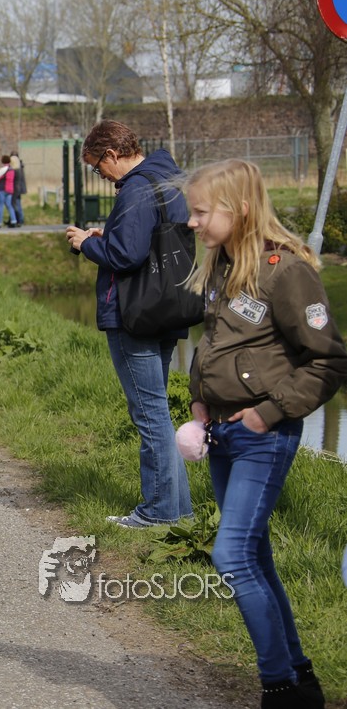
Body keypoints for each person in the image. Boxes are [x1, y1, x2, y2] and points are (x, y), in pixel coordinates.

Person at [182, 159, 345, 709]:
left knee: (231, 556)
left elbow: (328, 361)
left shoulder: (286, 271)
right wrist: (200, 399)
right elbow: (215, 345)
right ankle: (302, 681)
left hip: (262, 437)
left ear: (241, 209)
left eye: (201, 212)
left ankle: (278, 686)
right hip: (222, 433)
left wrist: (267, 414)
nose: (192, 222)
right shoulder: (224, 264)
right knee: (254, 556)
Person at [64, 120, 193, 529]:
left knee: (149, 414)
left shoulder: (136, 188)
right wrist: (111, 233)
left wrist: (88, 243)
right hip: (166, 307)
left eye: (97, 166)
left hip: (133, 312)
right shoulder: (168, 178)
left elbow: (126, 255)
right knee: (159, 412)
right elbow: (154, 240)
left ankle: (158, 511)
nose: (100, 174)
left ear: (112, 154)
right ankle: (179, 510)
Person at [0, 154, 15, 228]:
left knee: (0, 206)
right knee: (9, 205)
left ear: (3, 161)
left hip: (2, 189)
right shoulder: (12, 170)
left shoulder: (3, 169)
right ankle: (14, 221)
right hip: (10, 189)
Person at [10, 153, 27, 227]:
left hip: (16, 189)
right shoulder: (19, 167)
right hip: (19, 188)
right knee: (17, 204)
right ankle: (17, 219)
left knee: (15, 204)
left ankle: (19, 220)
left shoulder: (16, 169)